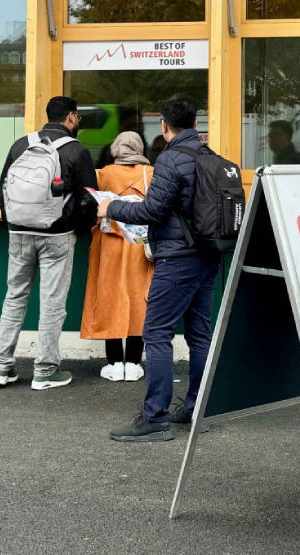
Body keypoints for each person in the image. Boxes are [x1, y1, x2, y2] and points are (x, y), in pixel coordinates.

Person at [97, 95, 221, 443]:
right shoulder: (210, 157)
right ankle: (197, 410)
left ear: (164, 127)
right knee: (199, 336)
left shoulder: (170, 159)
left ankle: (155, 418)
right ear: (195, 124)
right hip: (209, 256)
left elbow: (151, 211)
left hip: (178, 258)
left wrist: (111, 206)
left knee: (156, 333)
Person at [0, 96, 98, 390]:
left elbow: (3, 191)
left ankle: (2, 367)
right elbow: (91, 198)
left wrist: (14, 222)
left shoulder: (20, 145)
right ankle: (46, 370)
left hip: (18, 234)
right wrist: (78, 228)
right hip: (58, 236)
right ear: (72, 118)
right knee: (52, 302)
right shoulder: (76, 150)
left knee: (14, 297)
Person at [80, 132, 154, 382]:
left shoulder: (102, 174)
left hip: (108, 244)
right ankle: (133, 363)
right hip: (139, 245)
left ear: (115, 149)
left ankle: (113, 364)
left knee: (110, 297)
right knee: (138, 298)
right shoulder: (151, 173)